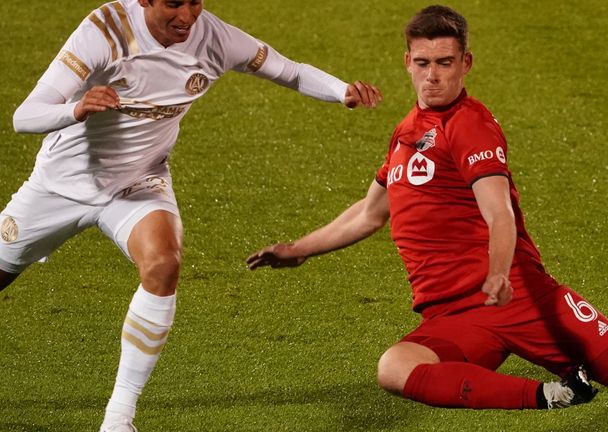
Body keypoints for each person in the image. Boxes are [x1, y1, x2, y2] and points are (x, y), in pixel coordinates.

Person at [248, 4, 608, 411]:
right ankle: (554, 395)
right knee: (395, 367)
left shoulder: (469, 125)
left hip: (517, 299)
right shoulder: (407, 131)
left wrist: (499, 273)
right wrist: (298, 248)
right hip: (454, 316)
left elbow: (499, 213)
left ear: (466, 63)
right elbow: (370, 213)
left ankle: (582, 351)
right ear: (407, 62)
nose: (432, 76)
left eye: (444, 63)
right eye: (423, 62)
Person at [0, 0, 381, 431]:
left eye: (195, 2)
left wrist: (340, 91)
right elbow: (23, 116)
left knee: (164, 264)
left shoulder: (214, 38)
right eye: (174, 4)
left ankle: (118, 418)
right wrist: (75, 109)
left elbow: (287, 69)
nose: (187, 17)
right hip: (60, 187)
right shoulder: (105, 31)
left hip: (138, 184)